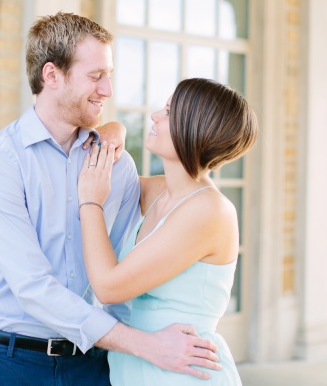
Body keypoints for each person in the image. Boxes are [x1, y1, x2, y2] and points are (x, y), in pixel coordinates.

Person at [0, 12, 221, 385]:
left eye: (109, 76)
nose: (108, 91)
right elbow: (33, 288)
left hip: (94, 365)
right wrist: (145, 346)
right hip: (7, 362)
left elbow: (120, 274)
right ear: (52, 76)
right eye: (96, 76)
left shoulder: (117, 164)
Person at [78, 77, 258, 384]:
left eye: (169, 111)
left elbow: (108, 287)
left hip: (183, 373)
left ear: (194, 128)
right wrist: (114, 130)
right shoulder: (160, 192)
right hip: (140, 367)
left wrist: (90, 203)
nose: (154, 116)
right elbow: (116, 176)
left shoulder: (209, 211)